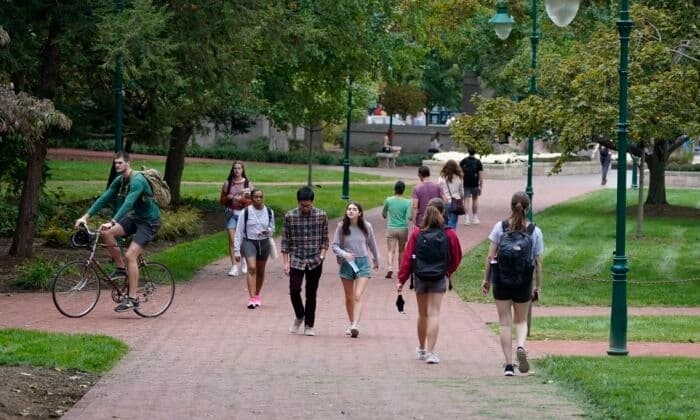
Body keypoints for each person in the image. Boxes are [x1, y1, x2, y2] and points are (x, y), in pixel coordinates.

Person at [74, 151, 161, 312]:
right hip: (136, 218)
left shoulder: (137, 181)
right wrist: (85, 217)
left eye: (120, 163)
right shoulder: (120, 181)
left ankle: (133, 299)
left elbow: (128, 203)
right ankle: (121, 269)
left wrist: (112, 221)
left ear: (128, 163)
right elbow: (104, 198)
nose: (117, 165)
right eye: (115, 163)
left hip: (149, 222)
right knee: (107, 233)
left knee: (130, 255)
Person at [480, 192, 543, 376]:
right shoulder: (534, 231)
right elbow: (538, 262)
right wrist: (537, 286)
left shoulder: (500, 228)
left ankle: (508, 365)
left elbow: (490, 257)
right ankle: (521, 347)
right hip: (523, 280)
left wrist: (486, 279)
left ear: (511, 206)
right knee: (521, 321)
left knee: (505, 323)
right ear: (528, 208)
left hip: (501, 279)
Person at [397, 198, 462, 364]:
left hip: (419, 276)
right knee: (434, 314)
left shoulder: (417, 233)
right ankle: (432, 353)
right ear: (443, 212)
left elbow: (407, 258)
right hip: (439, 276)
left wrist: (401, 279)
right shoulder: (449, 233)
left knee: (422, 314)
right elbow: (457, 257)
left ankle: (421, 348)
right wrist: (448, 271)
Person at [281, 186, 329, 337]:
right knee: (294, 290)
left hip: (315, 259)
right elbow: (285, 241)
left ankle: (309, 325)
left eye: (308, 205)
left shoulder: (321, 215)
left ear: (312, 202)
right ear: (298, 202)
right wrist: (286, 262)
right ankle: (300, 315)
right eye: (303, 205)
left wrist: (322, 256)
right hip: (297, 259)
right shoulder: (290, 216)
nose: (306, 208)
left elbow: (325, 239)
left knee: (311, 294)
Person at [331, 202, 380, 338]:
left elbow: (372, 244)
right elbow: (335, 246)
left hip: (363, 263)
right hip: (347, 263)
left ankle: (355, 325)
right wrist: (344, 254)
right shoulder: (341, 227)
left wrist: (376, 259)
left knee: (358, 295)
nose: (351, 211)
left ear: (360, 213)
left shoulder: (367, 226)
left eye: (354, 209)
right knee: (349, 297)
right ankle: (351, 322)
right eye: (349, 209)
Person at [234, 189, 274, 309]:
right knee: (252, 267)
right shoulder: (245, 212)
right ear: (251, 199)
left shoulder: (269, 211)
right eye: (256, 197)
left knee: (261, 270)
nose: (258, 199)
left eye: (260, 197)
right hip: (249, 242)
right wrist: (236, 250)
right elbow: (239, 231)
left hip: (264, 242)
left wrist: (268, 231)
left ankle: (257, 295)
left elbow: (272, 228)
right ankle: (251, 299)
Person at [220, 161, 253, 276]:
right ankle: (234, 267)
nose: (237, 170)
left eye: (239, 168)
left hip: (243, 215)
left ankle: (243, 261)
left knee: (242, 240)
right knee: (233, 240)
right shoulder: (228, 183)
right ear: (232, 170)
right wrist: (228, 198)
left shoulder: (247, 184)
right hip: (231, 215)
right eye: (235, 168)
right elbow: (221, 200)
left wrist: (240, 199)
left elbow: (251, 202)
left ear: (243, 170)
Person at [382, 181, 412, 279]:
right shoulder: (407, 202)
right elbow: (410, 217)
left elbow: (384, 214)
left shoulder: (389, 200)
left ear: (394, 189)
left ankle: (390, 267)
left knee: (391, 250)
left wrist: (386, 214)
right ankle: (400, 270)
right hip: (403, 228)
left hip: (391, 228)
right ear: (403, 190)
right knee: (402, 251)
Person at [459, 148, 484, 225]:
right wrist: (481, 186)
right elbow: (481, 176)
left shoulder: (463, 161)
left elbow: (460, 172)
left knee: (466, 200)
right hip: (475, 183)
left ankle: (466, 219)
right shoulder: (478, 162)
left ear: (468, 152)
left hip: (466, 183)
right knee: (475, 200)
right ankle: (475, 218)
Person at [437, 160, 464, 229]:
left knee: (444, 223)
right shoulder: (458, 177)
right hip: (455, 202)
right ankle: (452, 237)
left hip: (444, 201)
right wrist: (461, 199)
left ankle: (445, 238)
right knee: (453, 224)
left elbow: (438, 190)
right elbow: (462, 192)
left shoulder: (441, 177)